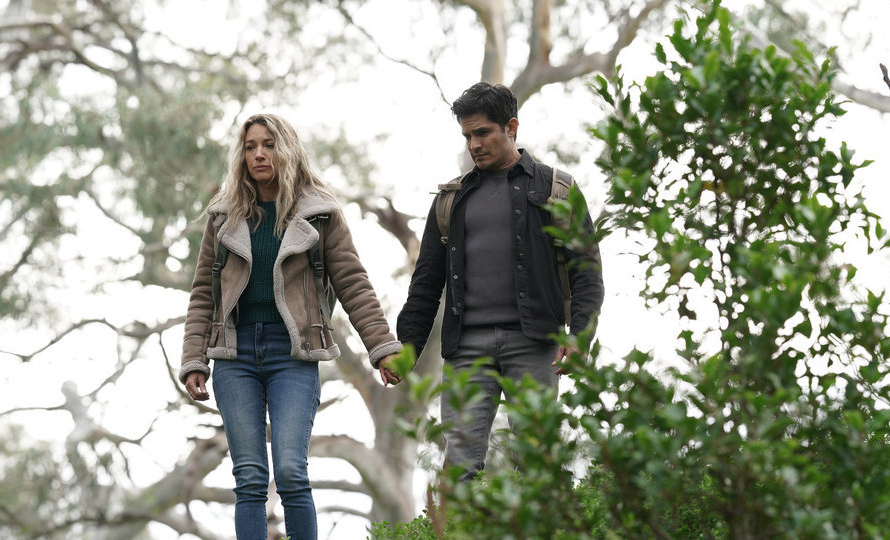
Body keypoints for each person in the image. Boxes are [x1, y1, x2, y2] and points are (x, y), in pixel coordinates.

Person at [179, 113, 402, 540]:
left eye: (268, 145)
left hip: (293, 354)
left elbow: (353, 282)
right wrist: (194, 360)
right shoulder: (222, 216)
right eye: (250, 147)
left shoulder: (319, 213)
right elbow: (203, 294)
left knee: (290, 470)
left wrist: (382, 348)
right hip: (235, 355)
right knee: (248, 477)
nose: (259, 154)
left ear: (288, 150)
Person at [396, 82, 604, 481]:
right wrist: (408, 347)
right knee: (458, 470)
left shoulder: (556, 190)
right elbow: (425, 282)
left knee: (537, 465)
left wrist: (580, 336)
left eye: (482, 133)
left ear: (511, 127)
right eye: (467, 136)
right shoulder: (449, 201)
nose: (474, 144)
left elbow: (587, 272)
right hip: (465, 350)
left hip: (535, 343)